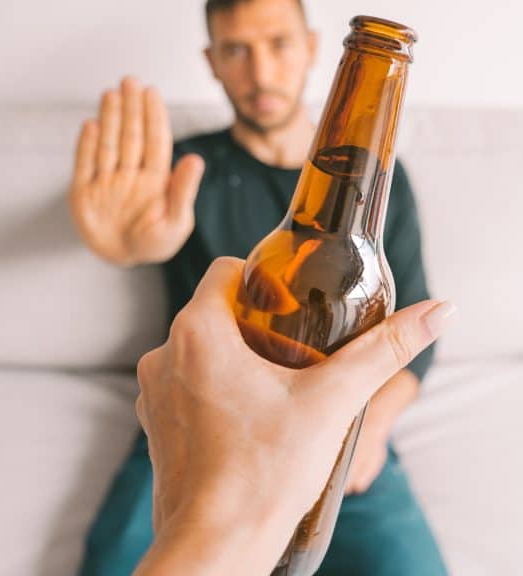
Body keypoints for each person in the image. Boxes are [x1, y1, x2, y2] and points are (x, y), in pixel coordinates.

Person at [68, 0, 447, 573]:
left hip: (336, 421)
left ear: (313, 49)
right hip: (200, 411)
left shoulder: (381, 191)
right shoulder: (184, 168)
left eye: (277, 44)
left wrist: (373, 426)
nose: (261, 73)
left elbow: (417, 335)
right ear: (212, 61)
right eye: (236, 50)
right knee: (111, 561)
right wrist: (122, 246)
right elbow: (149, 236)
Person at [129, 258, 456, 574]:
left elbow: (414, 350)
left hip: (346, 430)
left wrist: (371, 426)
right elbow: (133, 237)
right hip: (194, 417)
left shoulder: (389, 207)